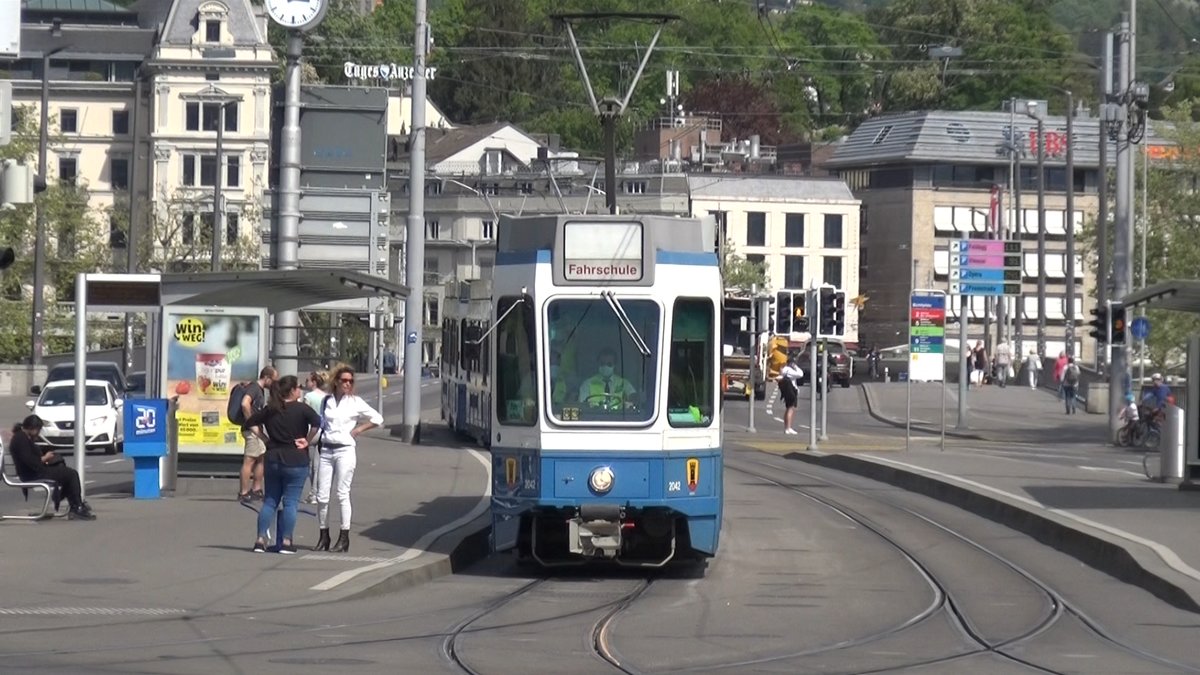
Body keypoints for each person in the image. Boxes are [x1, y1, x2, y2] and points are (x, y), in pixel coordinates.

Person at [242, 375, 321, 554]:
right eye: (298, 387)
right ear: (292, 390)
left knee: (270, 501)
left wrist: (264, 438)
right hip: (296, 459)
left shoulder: (271, 409)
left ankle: (260, 540)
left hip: (273, 458)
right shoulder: (302, 409)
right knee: (290, 503)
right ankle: (286, 541)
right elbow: (318, 423)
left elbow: (250, 422)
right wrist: (307, 440)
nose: (300, 390)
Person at [314, 366, 383, 553]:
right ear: (336, 381)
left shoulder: (355, 402)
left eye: (350, 381)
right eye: (344, 380)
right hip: (326, 449)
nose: (347, 384)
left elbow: (377, 418)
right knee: (322, 496)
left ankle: (344, 538)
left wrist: (358, 429)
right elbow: (322, 424)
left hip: (345, 450)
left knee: (342, 494)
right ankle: (323, 535)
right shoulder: (327, 401)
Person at [7, 415, 95, 520]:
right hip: (32, 474)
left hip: (35, 472)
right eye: (38, 430)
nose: (39, 433)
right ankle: (76, 507)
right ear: (33, 428)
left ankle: (74, 503)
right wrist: (45, 458)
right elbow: (30, 461)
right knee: (72, 474)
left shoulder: (22, 437)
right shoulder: (20, 439)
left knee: (64, 470)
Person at [238, 366, 278, 503]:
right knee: (249, 460)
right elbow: (245, 404)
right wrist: (251, 422)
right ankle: (243, 492)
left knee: (260, 457)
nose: (274, 384)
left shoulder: (258, 389)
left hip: (256, 429)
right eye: (273, 380)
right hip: (252, 430)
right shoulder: (254, 388)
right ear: (266, 378)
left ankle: (256, 489)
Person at [302, 370, 331, 504]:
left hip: (310, 430)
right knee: (318, 464)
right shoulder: (326, 397)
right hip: (322, 430)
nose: (305, 383)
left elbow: (303, 414)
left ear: (314, 382)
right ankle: (317, 493)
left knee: (308, 463)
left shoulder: (309, 396)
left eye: (307, 380)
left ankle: (312, 493)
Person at [777, 358, 803, 435]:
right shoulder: (789, 370)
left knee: (788, 408)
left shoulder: (784, 370)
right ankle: (788, 428)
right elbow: (800, 374)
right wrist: (796, 367)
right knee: (791, 409)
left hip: (786, 391)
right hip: (791, 391)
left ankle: (787, 427)